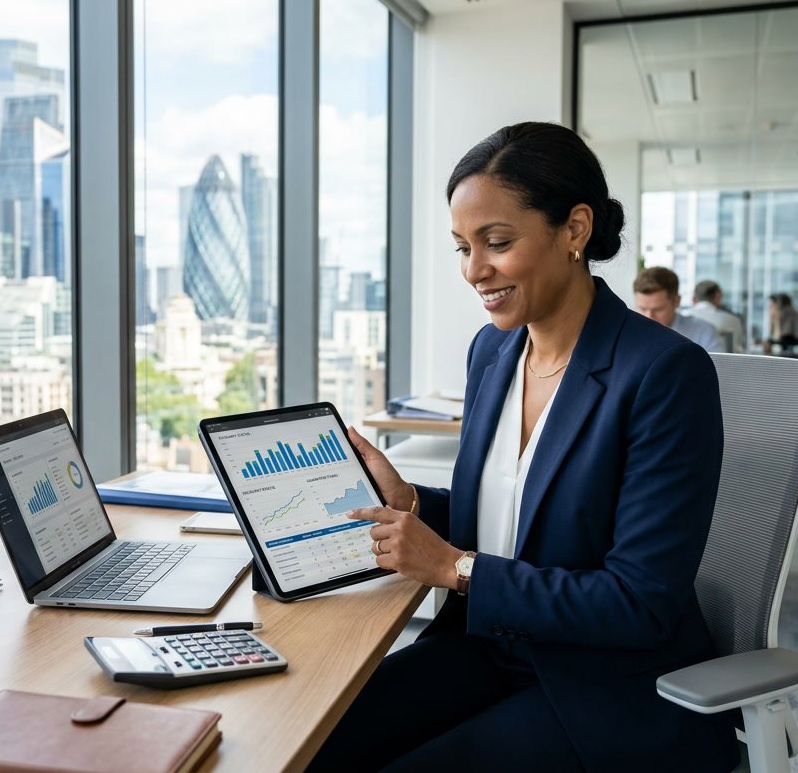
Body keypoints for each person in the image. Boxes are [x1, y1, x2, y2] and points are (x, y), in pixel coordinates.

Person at [309, 123, 737, 773]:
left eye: (497, 243)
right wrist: (414, 503)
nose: (474, 270)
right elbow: (521, 520)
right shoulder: (494, 352)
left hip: (603, 684)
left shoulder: (663, 373)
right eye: (461, 247)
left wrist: (456, 569)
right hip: (491, 647)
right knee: (314, 744)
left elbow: (640, 602)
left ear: (574, 230)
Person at [633, 266, 723, 353]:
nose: (649, 317)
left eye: (658, 309)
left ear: (676, 301)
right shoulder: (628, 333)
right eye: (642, 309)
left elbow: (719, 368)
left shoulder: (703, 332)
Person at [690, 279, 745, 352]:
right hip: (723, 362)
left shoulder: (681, 318)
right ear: (717, 297)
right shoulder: (733, 320)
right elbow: (738, 350)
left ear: (693, 298)